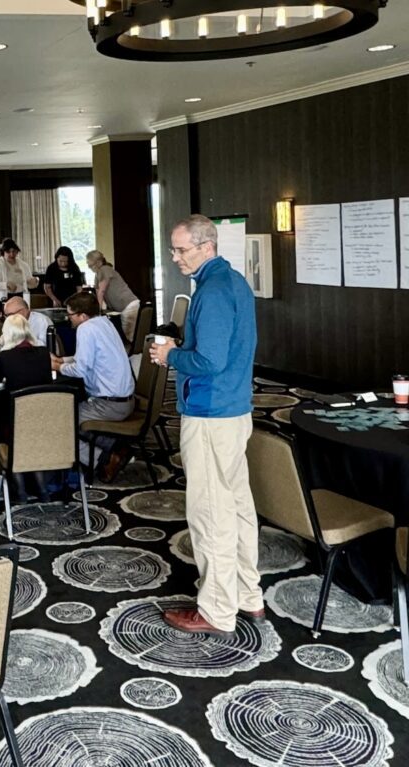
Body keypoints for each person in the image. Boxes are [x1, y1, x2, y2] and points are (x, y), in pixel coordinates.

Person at [151, 214, 259, 637]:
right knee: (237, 506)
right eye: (174, 249)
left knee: (210, 512)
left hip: (211, 412)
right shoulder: (233, 283)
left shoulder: (212, 292)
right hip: (235, 409)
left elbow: (209, 362)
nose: (175, 257)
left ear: (206, 246)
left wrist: (171, 356)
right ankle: (247, 594)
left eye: (181, 250)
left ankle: (216, 609)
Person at [50, 292, 134, 471]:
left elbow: (81, 369)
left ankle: (103, 460)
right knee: (73, 413)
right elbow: (87, 358)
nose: (68, 319)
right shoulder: (105, 323)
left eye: (70, 314)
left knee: (60, 421)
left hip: (109, 405)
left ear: (83, 316)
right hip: (125, 400)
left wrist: (57, 368)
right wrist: (62, 361)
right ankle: (114, 444)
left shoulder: (86, 329)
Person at [0, 315, 59, 501]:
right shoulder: (44, 352)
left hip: (16, 421)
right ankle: (42, 490)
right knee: (29, 440)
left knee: (5, 433)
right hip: (43, 418)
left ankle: (20, 492)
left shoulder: (5, 356)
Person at [86, 250, 140, 342]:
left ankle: (136, 356)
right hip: (127, 306)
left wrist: (97, 310)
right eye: (88, 265)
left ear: (99, 262)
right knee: (129, 337)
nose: (90, 268)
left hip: (128, 306)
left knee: (130, 338)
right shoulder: (100, 273)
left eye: (91, 265)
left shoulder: (104, 269)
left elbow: (101, 291)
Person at [0, 315, 51, 393]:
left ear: (6, 333)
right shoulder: (44, 352)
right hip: (45, 401)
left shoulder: (5, 356)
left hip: (17, 403)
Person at [0, 237, 39, 302]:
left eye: (14, 251)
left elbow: (30, 284)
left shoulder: (24, 265)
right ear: (3, 252)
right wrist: (5, 285)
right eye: (8, 252)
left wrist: (35, 281)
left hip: (22, 296)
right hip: (5, 297)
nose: (12, 254)